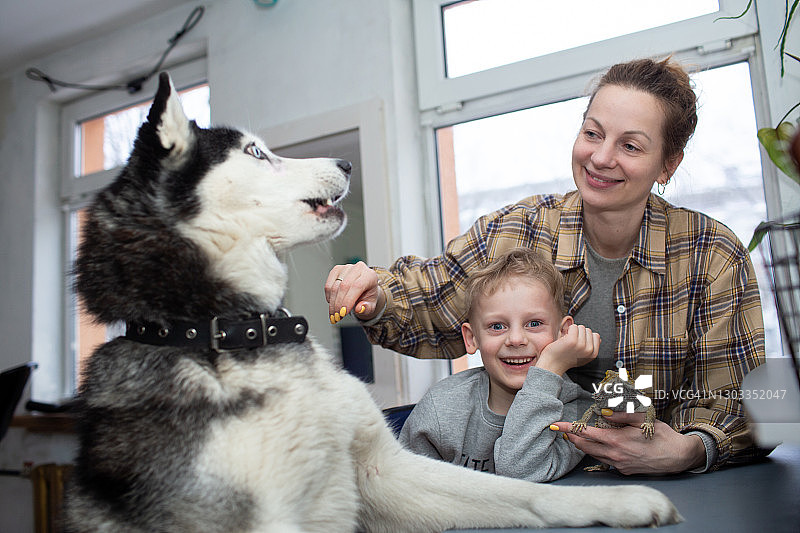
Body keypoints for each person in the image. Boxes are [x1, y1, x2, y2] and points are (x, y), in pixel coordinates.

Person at [325, 57, 767, 474]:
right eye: (593, 134)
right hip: (533, 476)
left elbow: (745, 406)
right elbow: (432, 298)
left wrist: (688, 451)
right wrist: (375, 295)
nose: (600, 157)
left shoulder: (713, 255)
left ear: (668, 164)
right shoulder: (519, 230)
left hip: (657, 488)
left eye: (630, 145)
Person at [399, 247, 598, 482]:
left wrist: (549, 369)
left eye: (534, 323)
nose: (515, 339)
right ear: (472, 339)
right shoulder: (440, 408)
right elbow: (402, 493)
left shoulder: (580, 413)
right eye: (497, 326)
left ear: (563, 332)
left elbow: (521, 472)